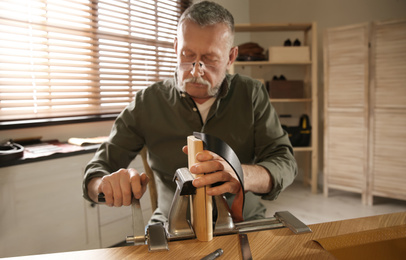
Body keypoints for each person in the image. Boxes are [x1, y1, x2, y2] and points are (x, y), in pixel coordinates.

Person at [83, 1, 297, 224]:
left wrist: (242, 174)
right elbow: (95, 173)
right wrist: (105, 185)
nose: (196, 71)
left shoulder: (251, 94)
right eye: (187, 55)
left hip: (243, 220)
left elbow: (284, 161)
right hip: (171, 225)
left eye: (210, 59)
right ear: (176, 48)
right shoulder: (147, 102)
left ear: (231, 57)